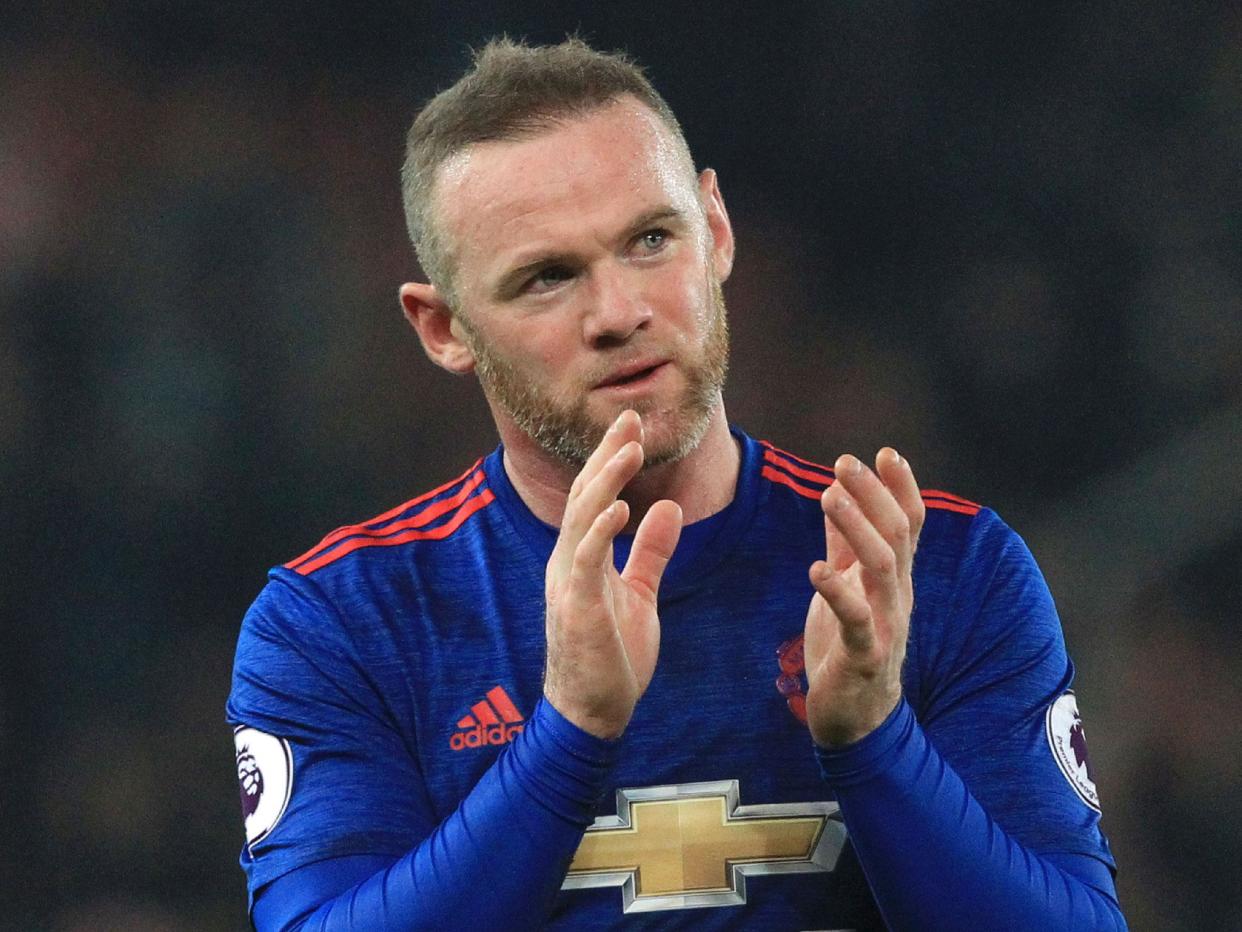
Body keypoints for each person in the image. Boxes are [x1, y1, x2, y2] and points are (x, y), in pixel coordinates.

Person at [227, 37, 1127, 931]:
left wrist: (874, 738)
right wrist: (569, 731)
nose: (620, 313)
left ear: (718, 230)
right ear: (442, 329)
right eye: (548, 277)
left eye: (651, 240)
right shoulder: (340, 623)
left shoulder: (940, 569)